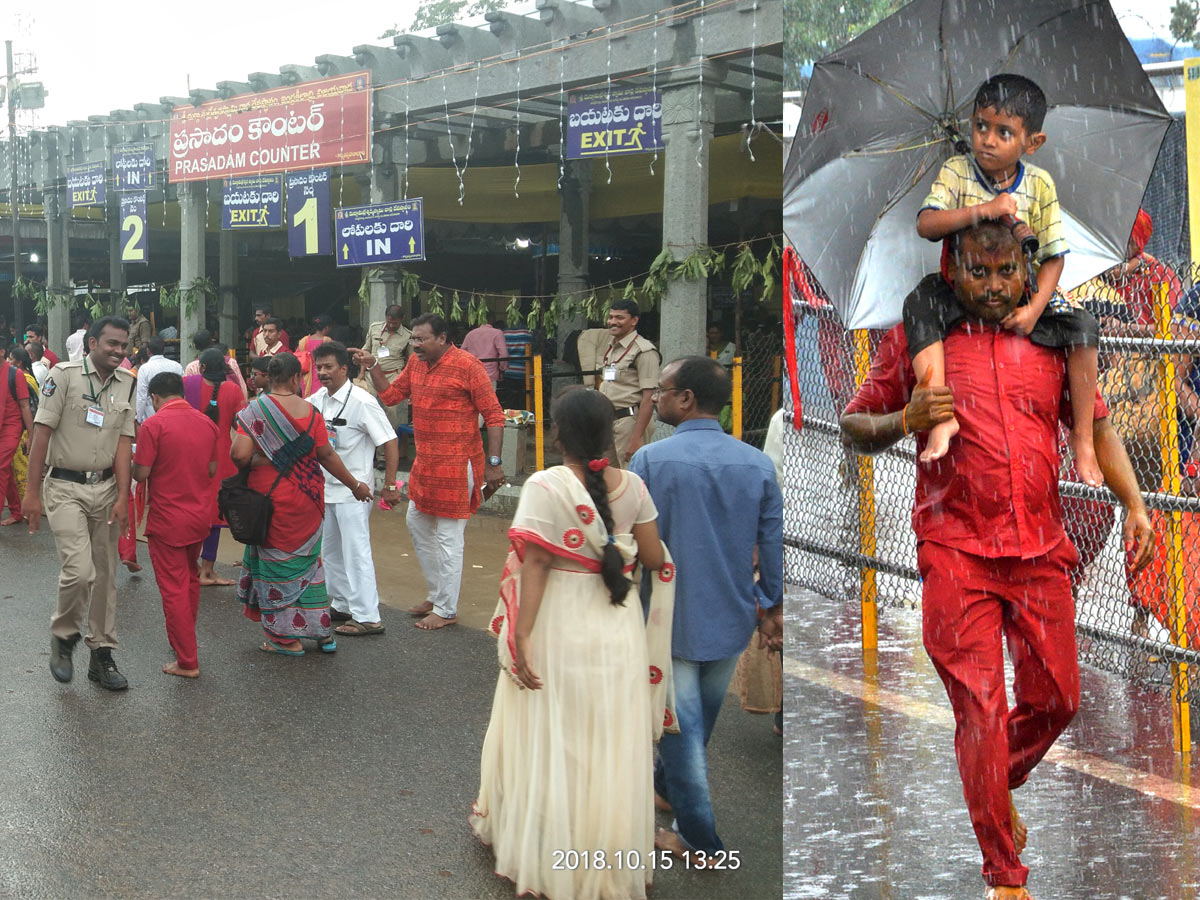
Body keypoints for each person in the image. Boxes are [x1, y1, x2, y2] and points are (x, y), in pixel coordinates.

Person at [839, 221, 1154, 899]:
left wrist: (1135, 505)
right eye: (976, 272)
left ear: (1028, 269)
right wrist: (906, 419)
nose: (990, 287)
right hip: (954, 550)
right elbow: (853, 424)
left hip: (1040, 549)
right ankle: (1006, 879)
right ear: (949, 266)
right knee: (980, 710)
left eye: (1005, 271)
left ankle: (990, 779)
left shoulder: (1053, 337)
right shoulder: (917, 339)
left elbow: (1095, 423)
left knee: (1059, 697)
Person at [470, 388, 676, 900]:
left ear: (559, 432)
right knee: (605, 734)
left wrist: (520, 635)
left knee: (553, 729)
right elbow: (652, 558)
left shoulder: (546, 484)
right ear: (609, 432)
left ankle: (549, 848)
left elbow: (537, 564)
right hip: (615, 621)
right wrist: (613, 551)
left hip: (558, 618)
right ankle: (604, 852)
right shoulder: (632, 486)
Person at [910, 74, 1102, 487]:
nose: (988, 140)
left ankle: (1083, 438)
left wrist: (1035, 309)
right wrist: (983, 210)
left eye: (1003, 132)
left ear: (1032, 143)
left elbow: (1053, 258)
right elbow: (927, 223)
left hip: (1022, 293)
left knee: (1083, 324)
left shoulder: (1039, 184)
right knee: (920, 302)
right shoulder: (957, 172)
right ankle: (942, 418)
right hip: (961, 290)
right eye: (981, 126)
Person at [628, 356, 783, 865]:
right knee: (697, 723)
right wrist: (771, 606)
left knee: (682, 731)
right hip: (732, 613)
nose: (660, 398)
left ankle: (701, 842)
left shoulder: (651, 461)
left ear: (686, 398)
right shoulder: (757, 463)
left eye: (665, 390)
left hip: (667, 617)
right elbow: (771, 543)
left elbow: (633, 543)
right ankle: (665, 787)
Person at [354, 313, 505, 631]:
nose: (415, 344)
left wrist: (494, 464)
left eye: (421, 339)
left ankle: (446, 609)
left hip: (456, 465)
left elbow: (494, 415)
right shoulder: (416, 364)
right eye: (414, 339)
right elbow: (392, 396)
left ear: (443, 338)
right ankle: (438, 595)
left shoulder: (468, 366)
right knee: (417, 523)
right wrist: (373, 366)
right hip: (425, 464)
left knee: (450, 537)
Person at [230, 352, 372, 656]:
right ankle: (322, 633)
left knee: (277, 567)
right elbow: (327, 456)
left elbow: (239, 456)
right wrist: (355, 485)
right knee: (310, 565)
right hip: (309, 501)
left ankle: (286, 639)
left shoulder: (255, 411)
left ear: (269, 376)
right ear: (297, 379)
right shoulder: (312, 413)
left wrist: (260, 456)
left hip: (270, 503)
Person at [24, 316, 138, 691]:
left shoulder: (128, 382)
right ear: (92, 344)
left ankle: (101, 654)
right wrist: (31, 493)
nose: (119, 351)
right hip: (64, 487)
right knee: (79, 570)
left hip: (105, 490)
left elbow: (124, 443)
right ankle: (64, 635)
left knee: (106, 575)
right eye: (112, 344)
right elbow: (41, 434)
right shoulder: (64, 376)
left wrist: (123, 495)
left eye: (124, 345)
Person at [307, 342, 399, 636]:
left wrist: (390, 485)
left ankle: (368, 616)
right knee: (331, 551)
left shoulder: (362, 401)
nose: (323, 373)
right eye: (319, 367)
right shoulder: (316, 400)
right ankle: (343, 603)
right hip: (326, 490)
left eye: (329, 367)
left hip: (354, 491)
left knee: (356, 551)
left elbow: (390, 441)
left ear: (344, 368)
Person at [132, 371, 219, 678]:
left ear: (155, 398)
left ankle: (187, 659)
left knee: (173, 588)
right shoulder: (207, 423)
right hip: (198, 516)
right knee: (190, 579)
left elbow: (141, 473)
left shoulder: (154, 425)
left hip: (168, 518)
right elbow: (211, 469)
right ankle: (184, 642)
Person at [184, 347, 247, 587]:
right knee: (214, 514)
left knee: (192, 509)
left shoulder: (186, 384)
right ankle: (208, 570)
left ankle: (191, 565)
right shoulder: (232, 390)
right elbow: (239, 424)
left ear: (201, 368)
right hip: (221, 458)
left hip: (190, 456)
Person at [598, 300, 659, 467]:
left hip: (630, 422)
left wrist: (636, 438)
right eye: (610, 317)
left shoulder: (644, 351)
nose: (612, 322)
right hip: (609, 421)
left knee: (631, 475)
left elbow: (648, 398)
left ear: (634, 320)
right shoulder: (613, 347)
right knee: (609, 477)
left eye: (619, 317)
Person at [362, 304, 414, 451]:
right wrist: (361, 372)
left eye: (395, 323)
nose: (391, 325)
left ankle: (384, 454)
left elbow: (410, 361)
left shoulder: (408, 335)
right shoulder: (374, 328)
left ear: (401, 320)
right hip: (371, 376)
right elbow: (366, 349)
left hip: (393, 377)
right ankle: (370, 451)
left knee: (390, 413)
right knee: (369, 411)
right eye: (389, 321)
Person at [0, 348, 35, 527]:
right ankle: (16, 510)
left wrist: (31, 434)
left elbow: (25, 407)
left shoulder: (16, 374)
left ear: (2, 352)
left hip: (11, 428)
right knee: (5, 470)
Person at [183, 331, 248, 398]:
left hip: (201, 405)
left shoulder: (191, 367)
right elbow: (242, 388)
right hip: (228, 402)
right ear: (212, 342)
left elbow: (186, 393)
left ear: (196, 347)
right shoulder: (230, 362)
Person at [135, 336, 183, 424]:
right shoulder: (176, 366)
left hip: (151, 415)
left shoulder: (144, 369)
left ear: (148, 351)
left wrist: (138, 418)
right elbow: (183, 392)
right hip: (175, 414)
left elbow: (141, 397)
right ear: (163, 350)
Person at [461, 319, 510, 387]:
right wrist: (502, 370)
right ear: (492, 320)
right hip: (490, 375)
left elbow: (462, 354)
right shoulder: (497, 333)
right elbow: (504, 355)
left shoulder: (470, 334)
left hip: (473, 374)